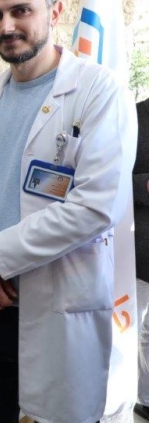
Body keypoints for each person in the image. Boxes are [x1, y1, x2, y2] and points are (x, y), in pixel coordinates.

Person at [0, 0, 136, 423]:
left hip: (53, 302)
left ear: (55, 11)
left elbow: (94, 207)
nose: (6, 26)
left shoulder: (98, 91)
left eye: (21, 11)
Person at [134, 97, 149, 419]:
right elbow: (107, 177)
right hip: (139, 253)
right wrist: (144, 184)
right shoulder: (134, 116)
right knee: (134, 330)